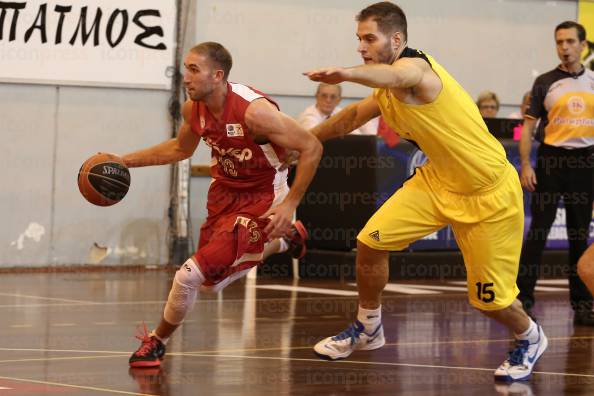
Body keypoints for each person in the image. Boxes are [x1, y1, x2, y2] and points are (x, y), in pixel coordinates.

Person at [303, 1, 546, 382]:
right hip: (437, 183)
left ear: (396, 39)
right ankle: (369, 326)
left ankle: (529, 337)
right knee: (370, 241)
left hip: (489, 195)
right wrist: (301, 143)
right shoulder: (383, 89)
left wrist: (347, 74)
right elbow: (349, 118)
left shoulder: (417, 71)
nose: (361, 47)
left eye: (370, 39)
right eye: (358, 39)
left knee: (490, 301)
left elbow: (397, 76)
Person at [122, 41, 323, 367]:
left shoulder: (254, 113)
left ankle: (156, 342)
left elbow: (312, 147)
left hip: (263, 197)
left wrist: (289, 205)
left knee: (188, 275)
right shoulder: (194, 109)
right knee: (211, 285)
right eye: (185, 68)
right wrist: (124, 161)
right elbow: (179, 149)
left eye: (193, 69)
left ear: (217, 76)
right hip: (223, 195)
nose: (185, 77)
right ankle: (285, 240)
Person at [517, 21, 594, 326]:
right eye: (559, 42)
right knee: (538, 233)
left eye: (570, 42)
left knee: (579, 236)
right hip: (551, 161)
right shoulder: (545, 82)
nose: (564, 47)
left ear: (583, 46)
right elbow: (528, 127)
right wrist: (525, 164)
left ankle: (583, 304)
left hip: (585, 163)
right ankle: (523, 299)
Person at [297, 82, 377, 135]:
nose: (328, 100)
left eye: (333, 97)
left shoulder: (339, 112)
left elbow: (357, 135)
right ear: (316, 96)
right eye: (324, 96)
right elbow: (315, 139)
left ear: (339, 100)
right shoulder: (308, 116)